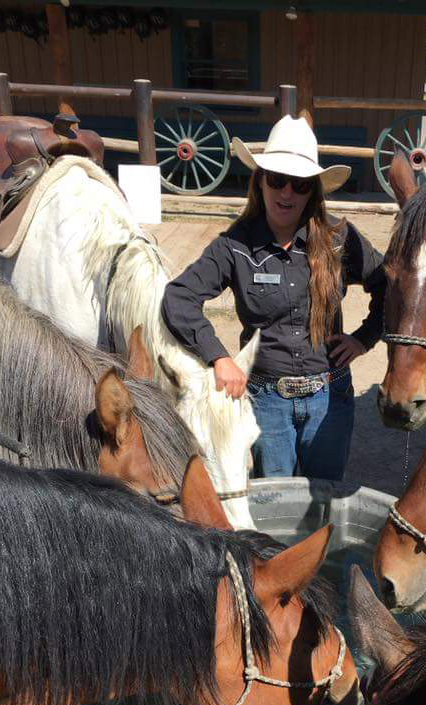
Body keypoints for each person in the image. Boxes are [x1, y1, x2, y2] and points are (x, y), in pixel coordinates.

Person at [162, 115, 386, 483]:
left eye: (299, 185)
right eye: (277, 180)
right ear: (260, 181)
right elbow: (179, 296)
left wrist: (365, 338)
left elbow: (391, 284)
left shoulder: (339, 239)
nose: (287, 193)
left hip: (330, 397)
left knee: (323, 502)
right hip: (266, 402)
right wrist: (218, 357)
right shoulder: (234, 246)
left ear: (313, 190)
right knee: (274, 508)